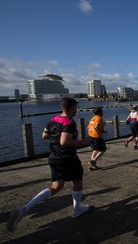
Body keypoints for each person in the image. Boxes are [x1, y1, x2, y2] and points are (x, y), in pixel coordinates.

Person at [6, 98, 91, 233]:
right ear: (70, 108)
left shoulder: (53, 120)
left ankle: (24, 209)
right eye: (76, 107)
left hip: (54, 157)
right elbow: (64, 142)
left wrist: (56, 139)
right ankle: (76, 209)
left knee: (56, 186)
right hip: (67, 157)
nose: (77, 110)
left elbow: (44, 136)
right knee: (78, 180)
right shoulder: (69, 122)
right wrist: (84, 143)